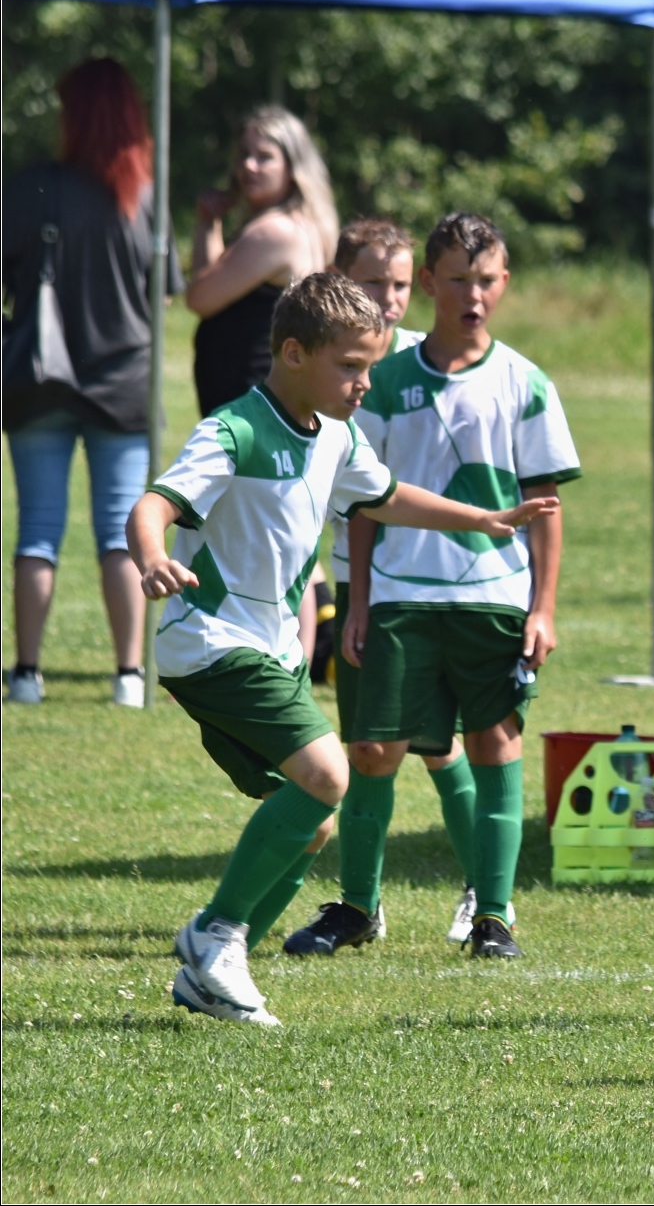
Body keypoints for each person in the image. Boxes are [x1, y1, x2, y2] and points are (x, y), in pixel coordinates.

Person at [131, 272, 557, 1025]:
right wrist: (152, 556)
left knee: (314, 816)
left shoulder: (336, 434)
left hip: (272, 652)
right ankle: (215, 933)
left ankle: (215, 972)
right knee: (331, 774)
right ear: (294, 353)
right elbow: (154, 503)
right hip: (213, 641)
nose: (366, 382)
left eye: (372, 366)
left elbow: (385, 496)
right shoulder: (235, 428)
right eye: (351, 366)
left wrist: (482, 520)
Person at [326, 213, 581, 962]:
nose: (473, 294)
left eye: (487, 280)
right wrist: (358, 599)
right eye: (459, 279)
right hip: (398, 595)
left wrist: (542, 607)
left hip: (493, 596)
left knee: (493, 743)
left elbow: (545, 506)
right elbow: (366, 500)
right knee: (373, 748)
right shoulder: (384, 381)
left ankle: (493, 916)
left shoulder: (525, 382)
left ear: (505, 283)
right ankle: (357, 908)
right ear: (431, 284)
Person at [281, 217, 487, 951]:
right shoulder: (331, 366)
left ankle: (485, 892)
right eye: (373, 282)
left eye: (400, 284)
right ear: (339, 282)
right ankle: (360, 905)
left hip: (436, 580)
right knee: (372, 748)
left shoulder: (423, 362)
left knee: (441, 745)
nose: (390, 298)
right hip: (361, 574)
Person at [4, 57, 180, 709]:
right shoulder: (144, 194)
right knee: (120, 531)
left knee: (37, 529)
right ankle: (129, 676)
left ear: (71, 115)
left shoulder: (31, 188)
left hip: (38, 381)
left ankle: (26, 674)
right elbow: (165, 294)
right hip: (125, 385)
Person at [186, 105, 337, 667]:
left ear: (292, 165)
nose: (248, 166)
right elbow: (213, 288)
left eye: (264, 156)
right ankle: (310, 644)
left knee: (273, 534)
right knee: (279, 527)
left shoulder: (274, 231)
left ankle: (300, 654)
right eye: (243, 154)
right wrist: (211, 224)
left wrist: (206, 226)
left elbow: (201, 296)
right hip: (264, 395)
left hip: (253, 395)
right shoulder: (302, 224)